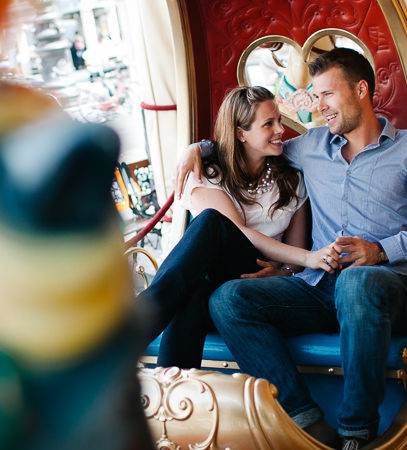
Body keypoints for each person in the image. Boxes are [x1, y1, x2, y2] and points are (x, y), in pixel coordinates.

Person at [176, 48, 407, 450]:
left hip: (385, 287)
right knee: (229, 299)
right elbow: (250, 141)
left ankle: (356, 434)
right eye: (315, 97)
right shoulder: (309, 146)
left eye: (327, 96)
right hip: (317, 286)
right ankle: (305, 420)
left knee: (357, 281)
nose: (319, 108)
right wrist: (200, 148)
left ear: (361, 90)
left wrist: (381, 251)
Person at [141, 86, 342, 369]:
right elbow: (236, 232)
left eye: (279, 121)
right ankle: (170, 387)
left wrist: (283, 270)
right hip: (215, 275)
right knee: (209, 233)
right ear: (241, 133)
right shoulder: (208, 174)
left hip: (256, 280)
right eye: (268, 124)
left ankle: (143, 332)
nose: (280, 130)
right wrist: (310, 258)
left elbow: (295, 253)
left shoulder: (291, 178)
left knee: (197, 287)